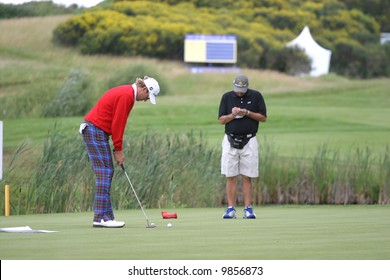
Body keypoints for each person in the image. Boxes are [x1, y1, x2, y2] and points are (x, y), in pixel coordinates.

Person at [79, 76, 160, 228]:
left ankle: (106, 216)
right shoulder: (126, 96)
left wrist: (117, 148)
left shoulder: (127, 93)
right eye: (148, 96)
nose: (146, 100)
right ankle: (101, 218)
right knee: (105, 172)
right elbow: (118, 124)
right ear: (143, 89)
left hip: (95, 130)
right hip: (95, 130)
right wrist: (118, 150)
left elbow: (116, 123)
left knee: (106, 171)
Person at [218, 75, 267, 219]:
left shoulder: (256, 96)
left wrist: (247, 112)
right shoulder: (226, 97)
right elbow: (221, 120)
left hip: (249, 139)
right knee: (230, 175)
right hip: (230, 139)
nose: (240, 92)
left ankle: (248, 208)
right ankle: (230, 209)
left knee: (247, 176)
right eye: (238, 89)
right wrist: (233, 115)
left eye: (242, 89)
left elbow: (263, 117)